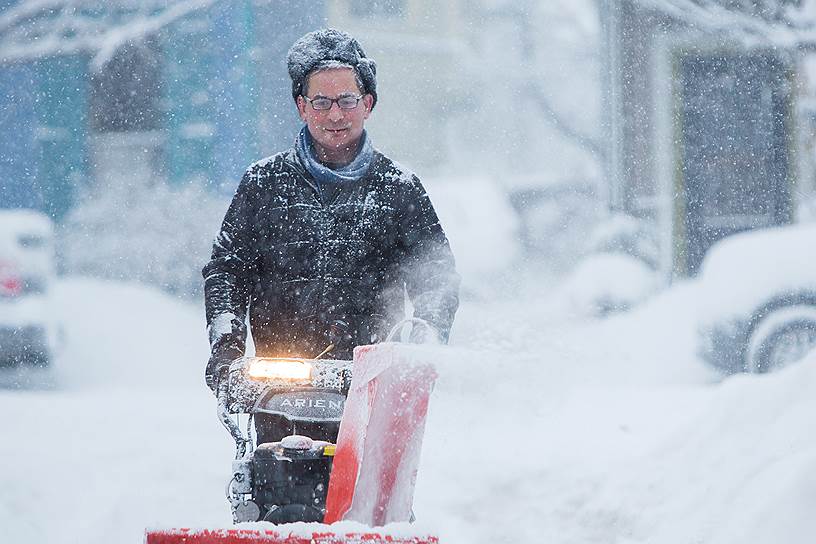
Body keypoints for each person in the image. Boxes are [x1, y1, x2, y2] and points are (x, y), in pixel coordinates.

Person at [203, 28, 460, 394]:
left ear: (368, 104)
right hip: (278, 385)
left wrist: (425, 342)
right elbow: (227, 271)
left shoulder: (399, 188)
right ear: (301, 106)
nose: (335, 114)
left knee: (364, 456)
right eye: (321, 102)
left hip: (373, 383)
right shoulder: (262, 184)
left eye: (347, 100)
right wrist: (226, 350)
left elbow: (435, 275)